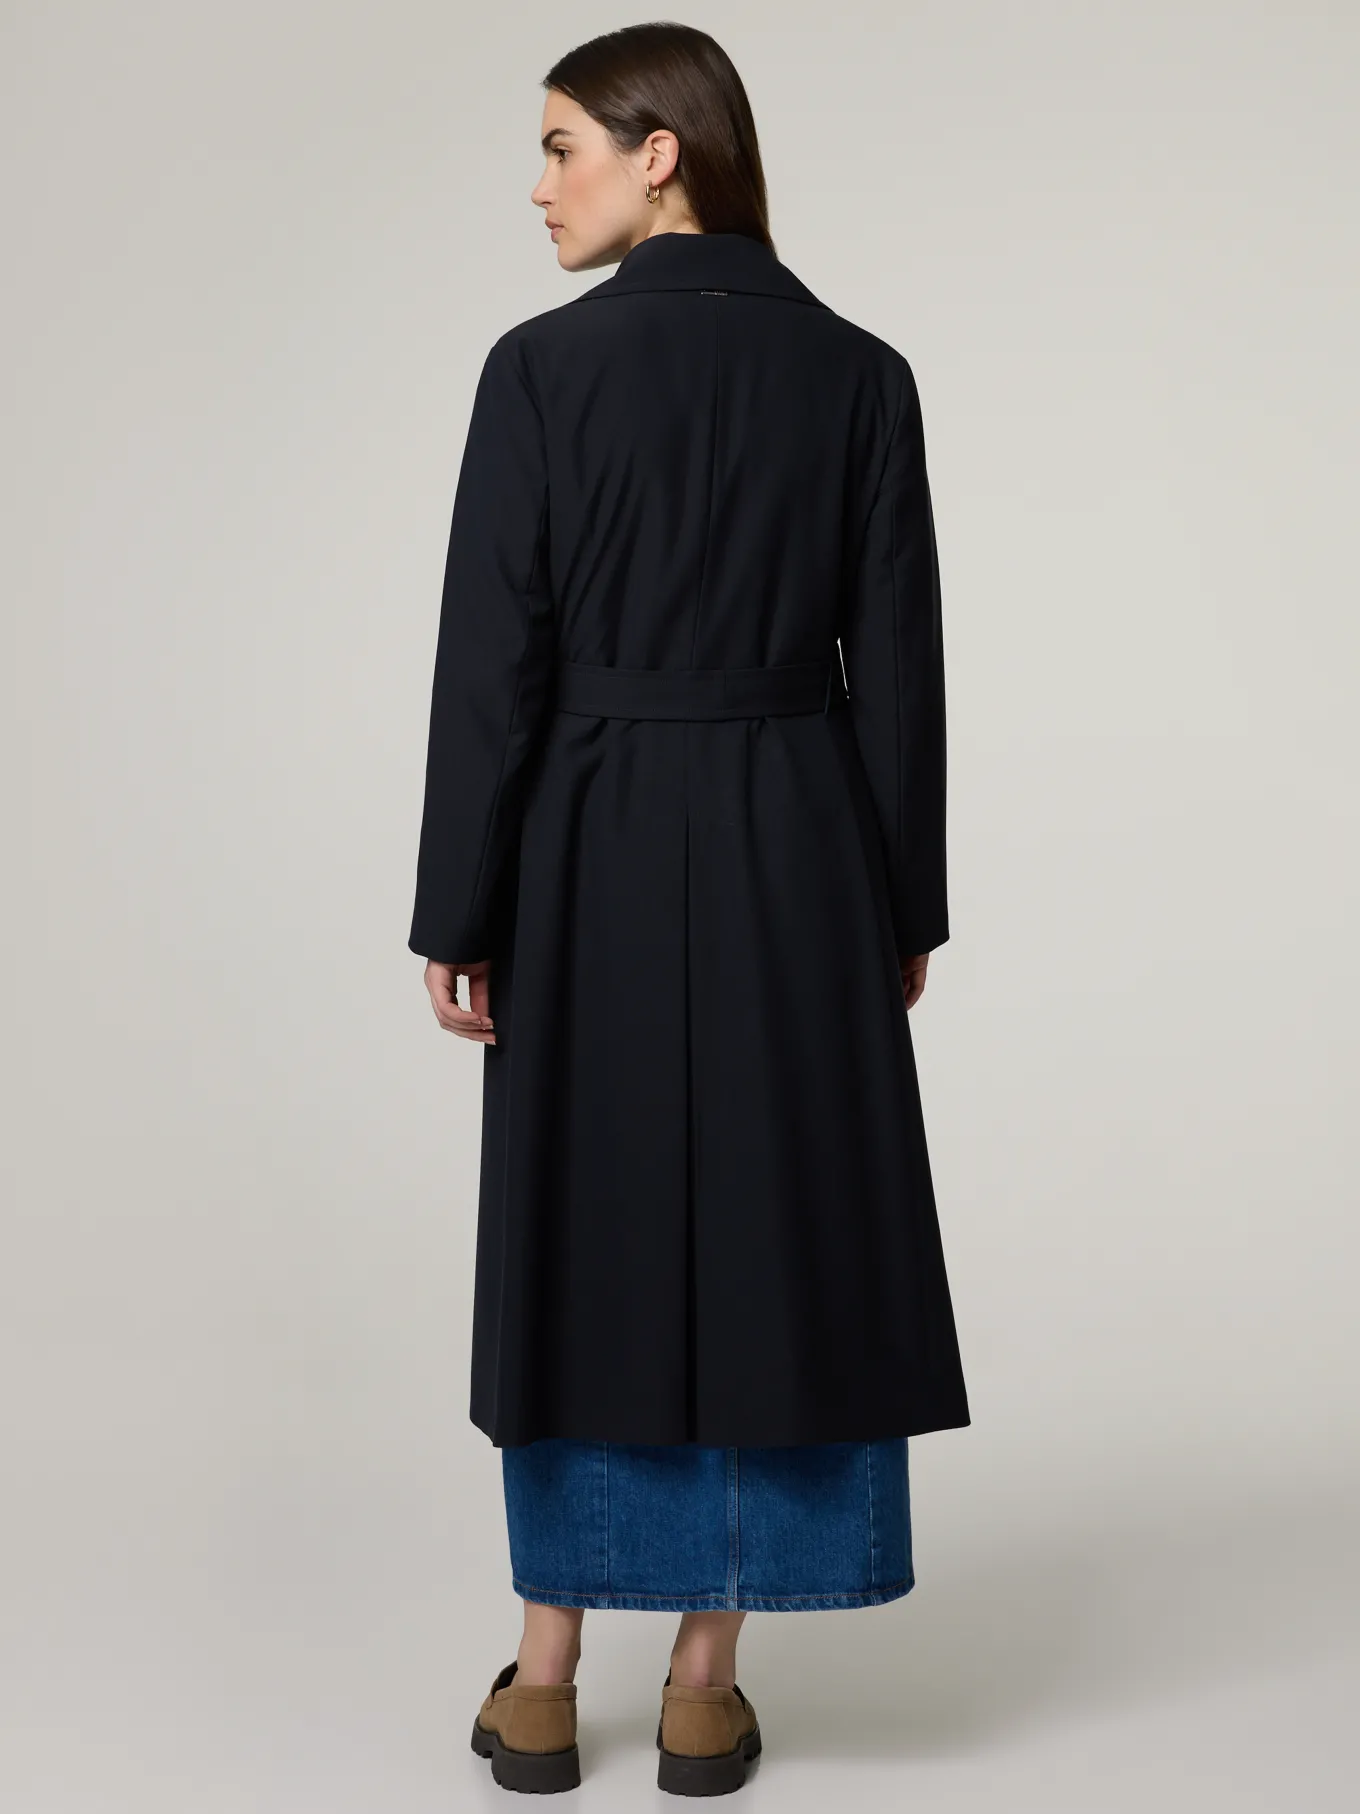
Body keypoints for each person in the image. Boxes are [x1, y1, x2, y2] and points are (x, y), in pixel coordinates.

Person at [407, 22, 971, 1798]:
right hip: (800, 841)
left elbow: (491, 664)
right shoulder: (862, 375)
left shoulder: (539, 373)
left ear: (663, 152)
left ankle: (546, 1674)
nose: (538, 184)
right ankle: (707, 1682)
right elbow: (899, 668)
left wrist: (457, 900)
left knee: (585, 1224)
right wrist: (901, 900)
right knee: (780, 1224)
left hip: (585, 836)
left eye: (562, 144)